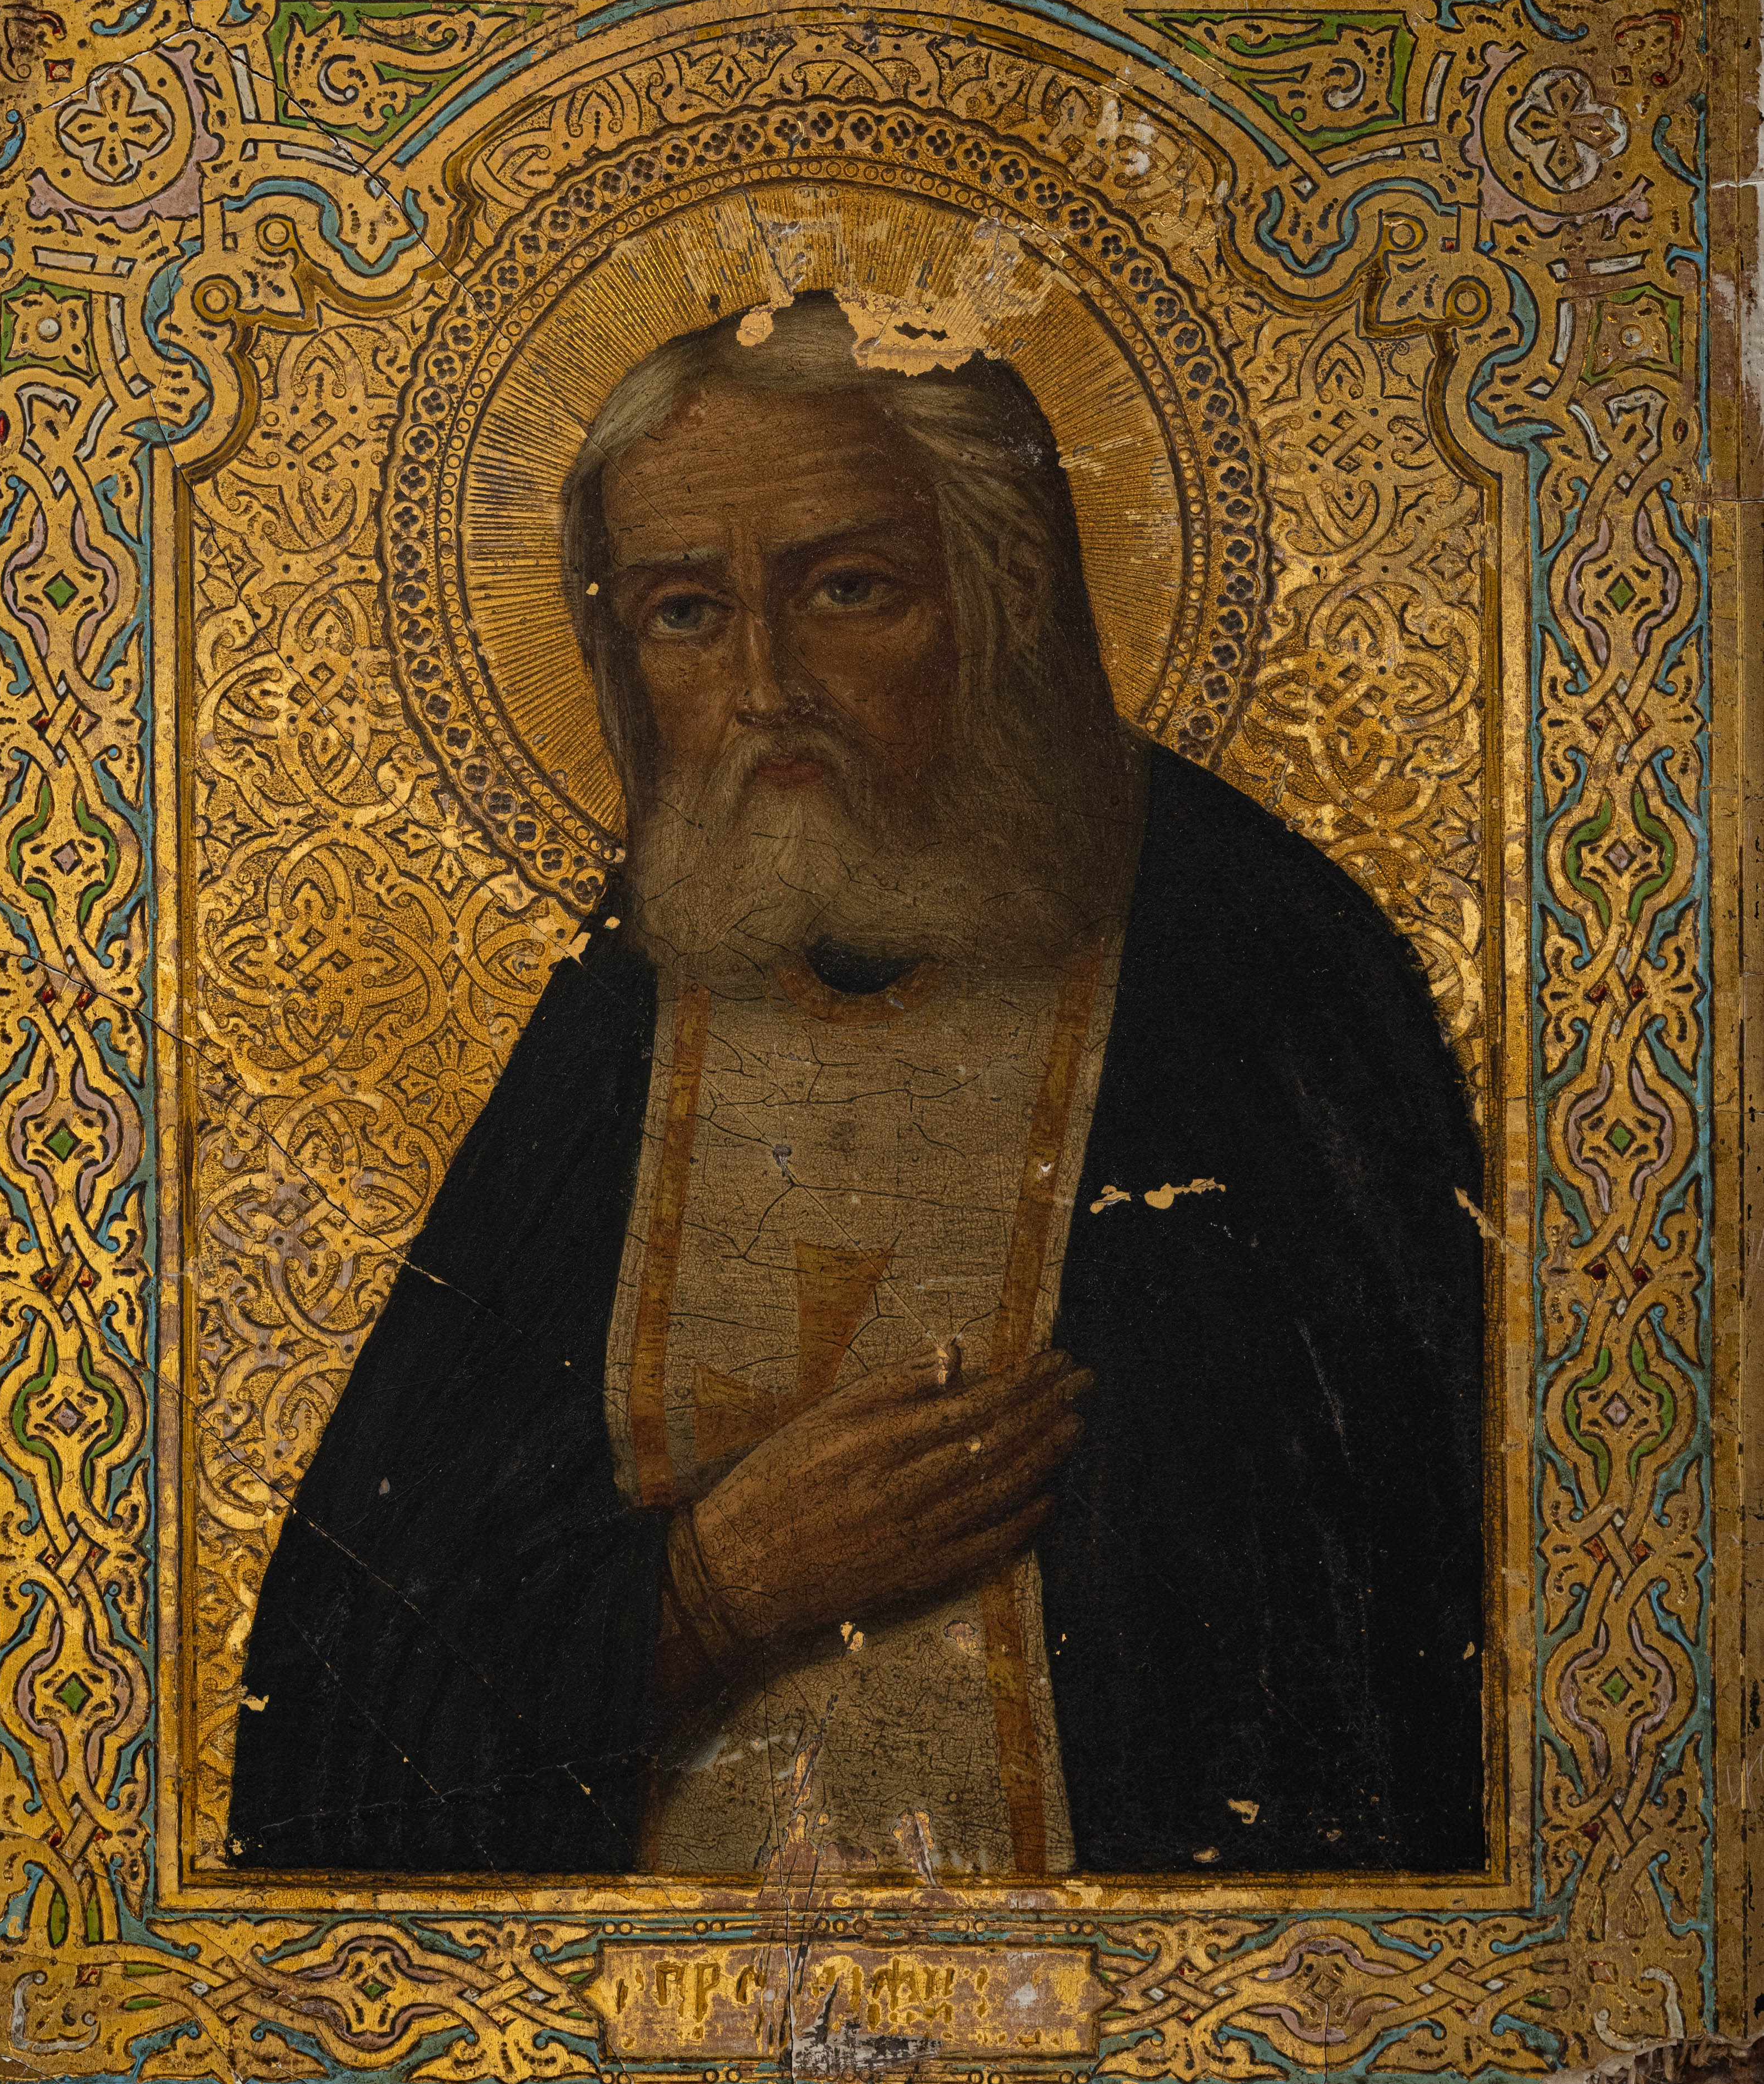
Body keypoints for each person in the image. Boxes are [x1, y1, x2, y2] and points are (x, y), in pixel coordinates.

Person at [230, 294, 1485, 1880]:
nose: (766, 684)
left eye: (846, 590)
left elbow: (1411, 1629)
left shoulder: (1262, 971)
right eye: (688, 613)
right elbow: (342, 1698)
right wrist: (706, 1595)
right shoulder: (629, 1007)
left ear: (1007, 596)